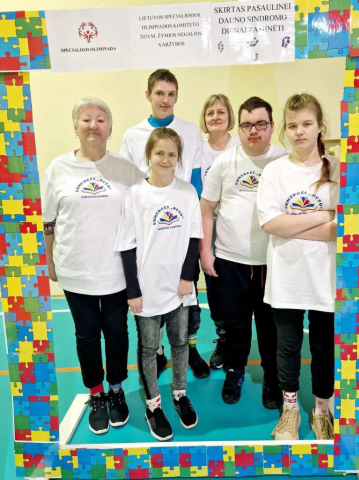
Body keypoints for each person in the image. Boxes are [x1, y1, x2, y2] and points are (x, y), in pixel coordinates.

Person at [42, 97, 144, 434]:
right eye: (86, 119)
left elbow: (144, 216)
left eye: (101, 119)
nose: (93, 125)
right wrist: (49, 260)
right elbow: (49, 221)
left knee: (116, 332)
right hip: (75, 269)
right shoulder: (58, 168)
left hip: (116, 272)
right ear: (75, 128)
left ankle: (116, 389)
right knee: (86, 335)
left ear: (110, 129)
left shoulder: (127, 170)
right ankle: (96, 393)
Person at [256, 93, 339, 440]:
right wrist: (324, 214)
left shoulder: (337, 169)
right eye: (292, 126)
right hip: (286, 277)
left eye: (306, 123)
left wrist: (293, 224)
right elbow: (271, 223)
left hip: (325, 276)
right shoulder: (274, 171)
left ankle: (322, 409)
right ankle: (290, 409)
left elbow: (341, 229)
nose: (299, 131)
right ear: (285, 130)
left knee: (323, 347)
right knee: (287, 346)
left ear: (320, 126)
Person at [115, 127, 203, 441]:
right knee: (149, 348)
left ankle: (179, 394)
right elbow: (127, 246)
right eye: (159, 153)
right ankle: (153, 406)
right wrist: (133, 291)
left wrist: (187, 278)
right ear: (149, 155)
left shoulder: (187, 193)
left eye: (172, 154)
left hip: (179, 288)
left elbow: (194, 238)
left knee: (180, 343)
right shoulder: (135, 194)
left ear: (179, 158)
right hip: (147, 290)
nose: (165, 159)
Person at [121, 69, 209, 379]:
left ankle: (190, 349)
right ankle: (156, 352)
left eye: (171, 94)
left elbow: (196, 181)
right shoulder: (132, 135)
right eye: (159, 93)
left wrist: (193, 229)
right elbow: (129, 185)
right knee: (151, 300)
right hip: (150, 235)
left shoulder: (190, 132)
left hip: (181, 233)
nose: (165, 100)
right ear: (148, 95)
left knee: (187, 297)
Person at [200, 96, 286, 407]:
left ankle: (272, 377)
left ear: (272, 126)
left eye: (260, 124)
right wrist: (205, 252)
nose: (254, 131)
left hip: (273, 262)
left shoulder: (284, 161)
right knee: (235, 326)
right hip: (230, 261)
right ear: (240, 128)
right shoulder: (224, 162)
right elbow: (206, 209)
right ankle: (235, 371)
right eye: (247, 125)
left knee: (270, 328)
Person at [199, 94, 240, 370]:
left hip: (238, 231)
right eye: (210, 112)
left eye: (221, 112)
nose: (215, 117)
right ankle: (223, 338)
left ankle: (239, 342)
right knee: (214, 290)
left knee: (238, 292)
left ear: (230, 117)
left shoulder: (241, 146)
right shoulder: (197, 151)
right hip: (208, 230)